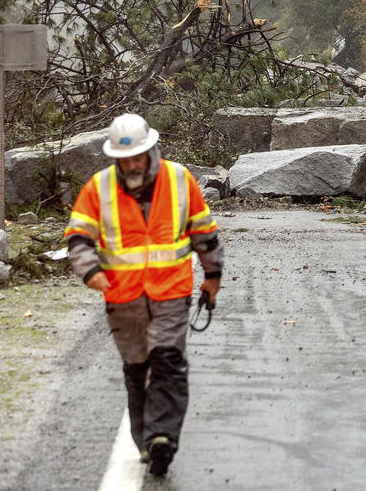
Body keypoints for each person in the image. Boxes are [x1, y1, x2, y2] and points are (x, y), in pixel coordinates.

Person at [64, 113, 224, 477]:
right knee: (137, 369)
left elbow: (204, 232)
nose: (132, 165)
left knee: (168, 363)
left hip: (171, 293)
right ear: (115, 159)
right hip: (123, 299)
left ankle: (162, 438)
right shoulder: (98, 188)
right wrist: (90, 271)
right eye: (125, 159)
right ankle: (145, 441)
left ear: (151, 150)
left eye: (137, 157)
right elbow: (78, 238)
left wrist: (212, 276)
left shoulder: (180, 179)